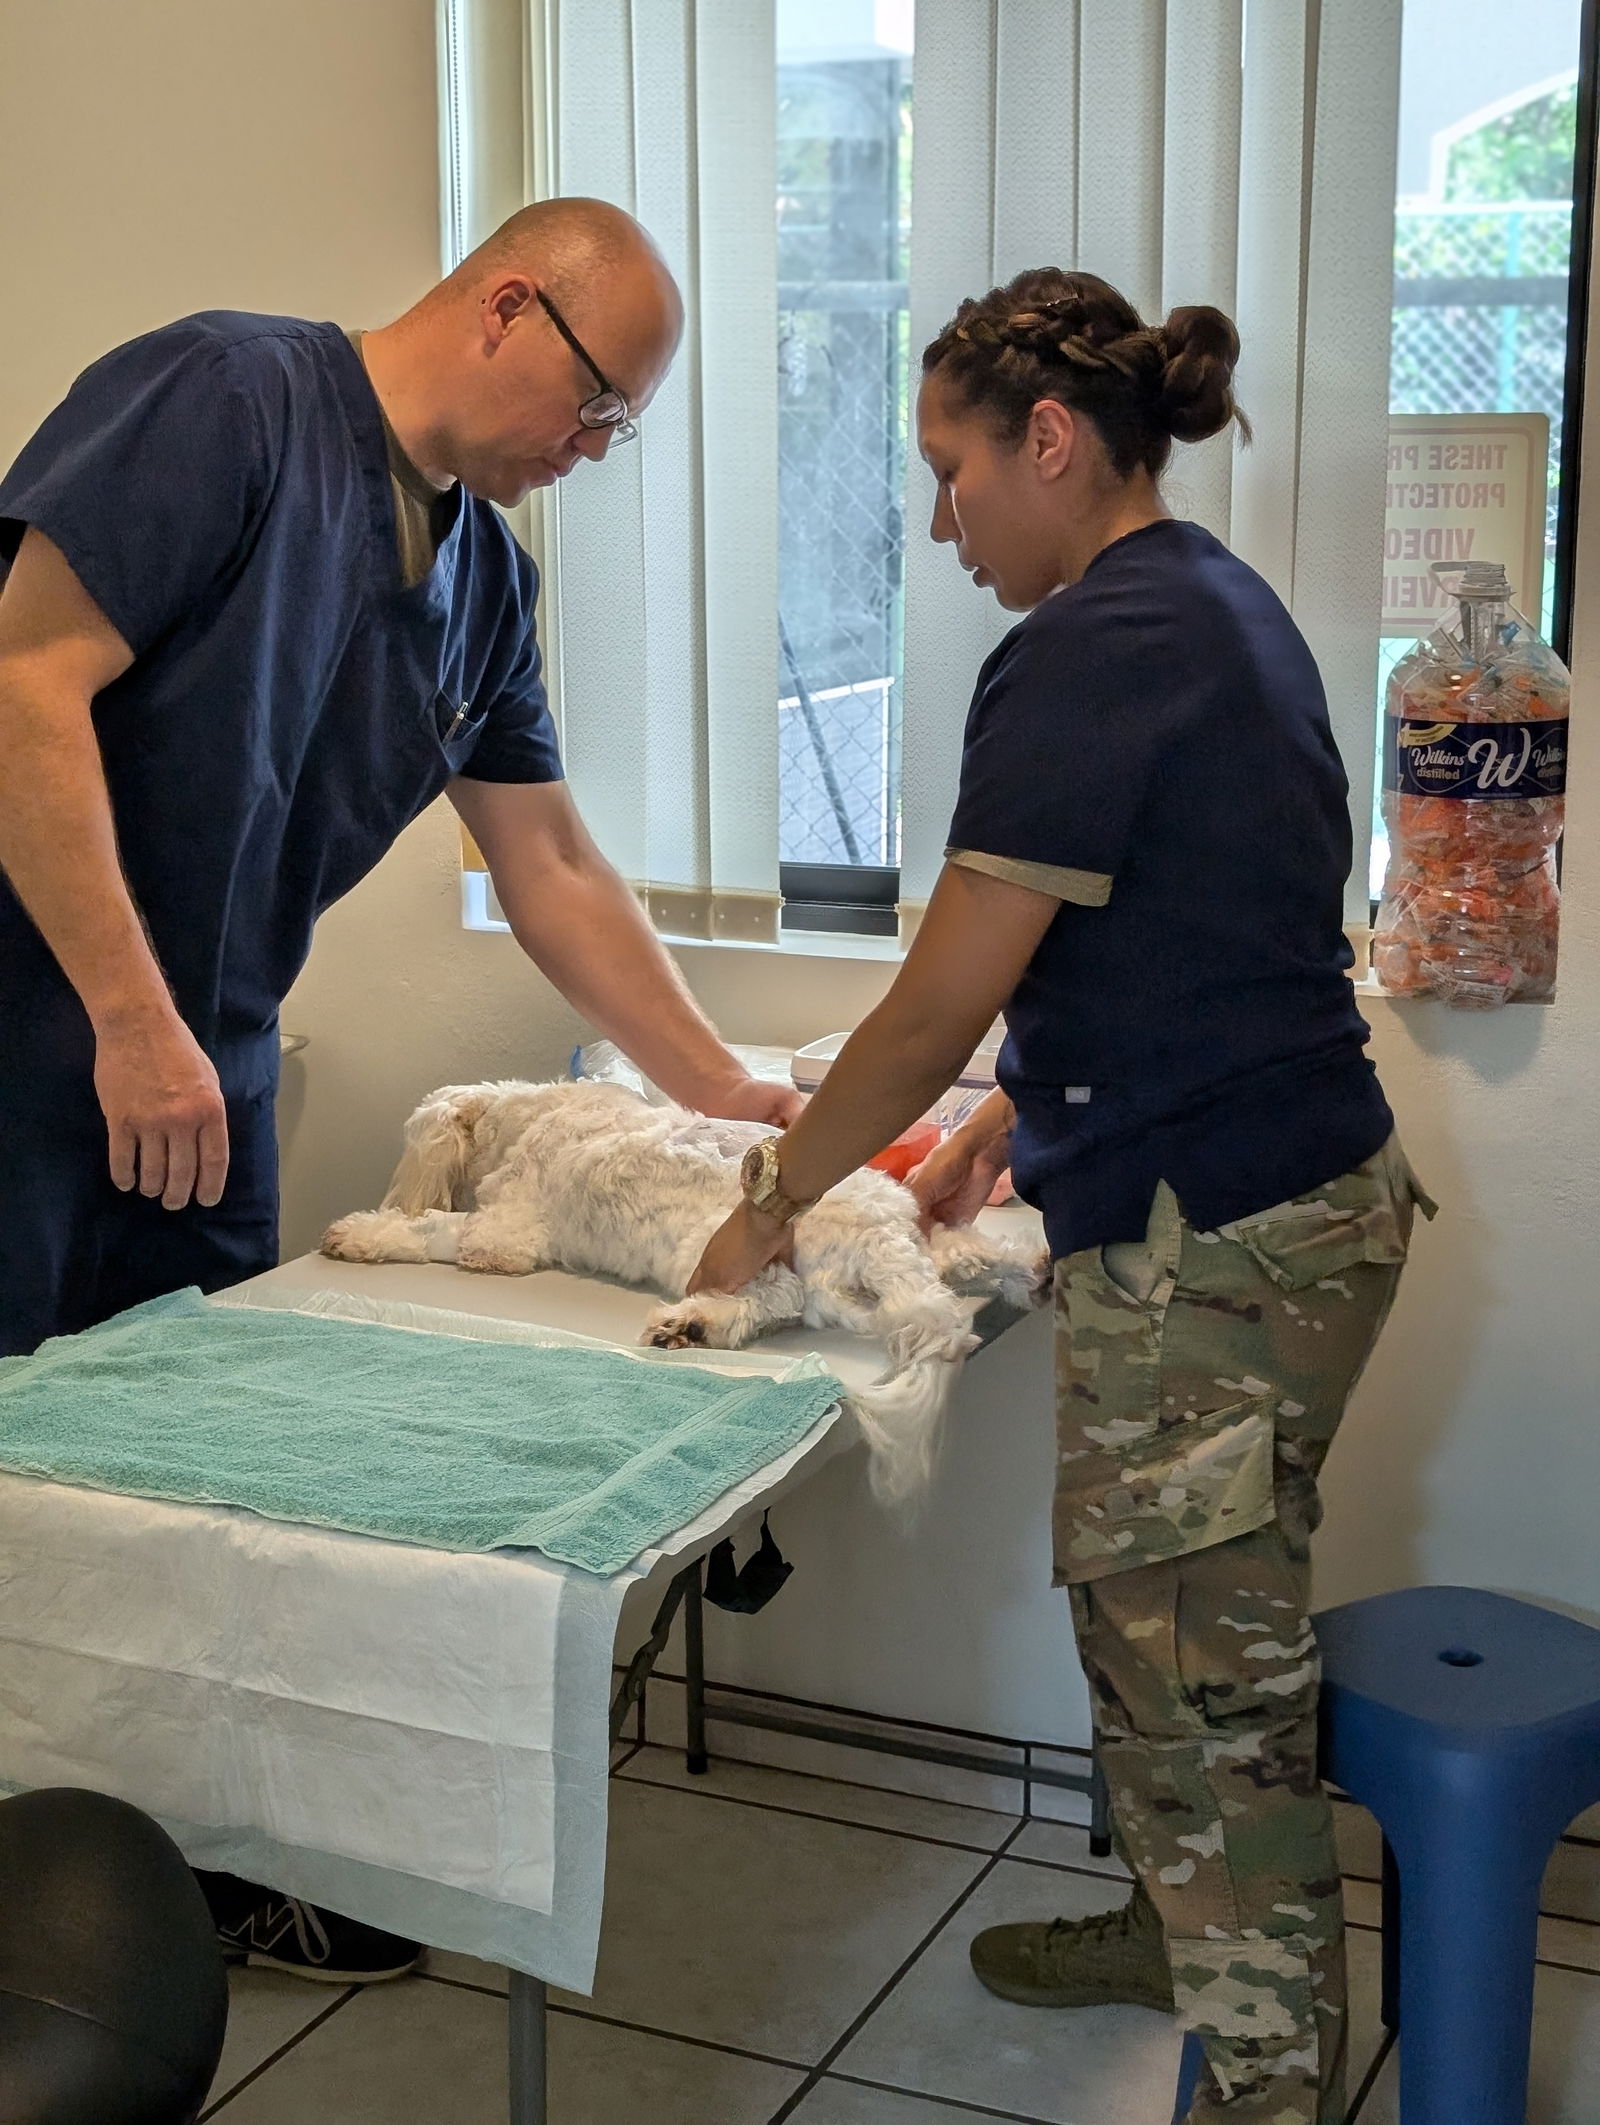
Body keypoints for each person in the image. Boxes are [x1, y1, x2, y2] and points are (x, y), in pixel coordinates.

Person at [0, 196, 799, 1982]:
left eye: (619, 434)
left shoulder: (487, 583)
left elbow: (554, 866)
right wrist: (129, 1014)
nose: (589, 454)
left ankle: (161, 1873)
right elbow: (20, 677)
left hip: (202, 1063)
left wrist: (723, 1083)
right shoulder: (228, 397)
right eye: (595, 408)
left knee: (176, 1483)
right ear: (511, 306)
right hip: (54, 1030)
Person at [688, 269, 1433, 2124]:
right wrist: (1013, 1120)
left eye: (951, 471)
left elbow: (940, 987)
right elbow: (1191, 938)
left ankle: (1262, 2063)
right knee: (1164, 1620)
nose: (940, 521)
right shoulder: (1212, 605)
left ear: (1048, 441)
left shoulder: (1096, 646)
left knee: (1201, 1674)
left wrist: (769, 1196)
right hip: (1286, 1193)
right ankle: (1173, 1917)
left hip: (1226, 1242)